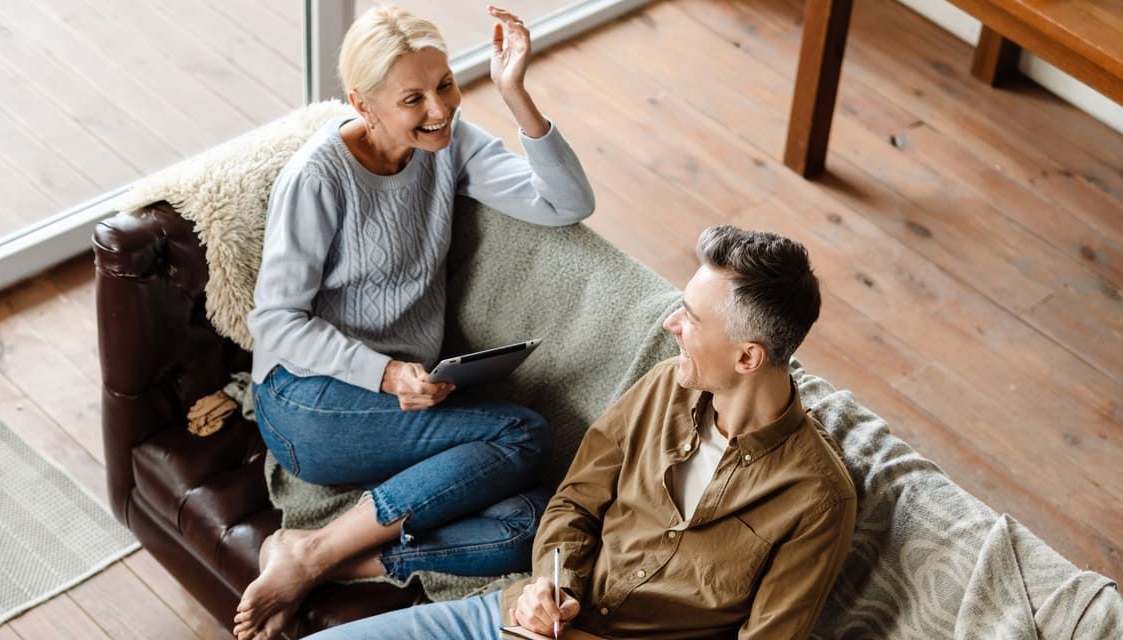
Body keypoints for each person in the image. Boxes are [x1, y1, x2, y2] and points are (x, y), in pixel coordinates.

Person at [234, 3, 596, 639]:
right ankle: (312, 551)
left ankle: (336, 562)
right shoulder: (317, 179)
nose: (440, 109)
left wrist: (514, 93)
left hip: (400, 403)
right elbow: (277, 324)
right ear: (363, 103)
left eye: (446, 85)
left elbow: (567, 204)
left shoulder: (448, 144)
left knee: (532, 521)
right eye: (413, 99)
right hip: (304, 403)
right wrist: (385, 373)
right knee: (522, 435)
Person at [307, 225, 856, 640]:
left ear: (747, 357)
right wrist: (554, 584)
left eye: (690, 317)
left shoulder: (816, 499)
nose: (671, 326)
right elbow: (574, 503)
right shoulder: (665, 386)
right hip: (520, 618)